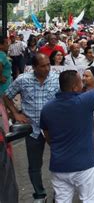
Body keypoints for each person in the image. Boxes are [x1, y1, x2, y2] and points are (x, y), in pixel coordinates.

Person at [39, 52, 94, 203]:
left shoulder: (47, 109)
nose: (83, 84)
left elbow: (48, 136)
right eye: (80, 81)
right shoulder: (83, 101)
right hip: (84, 166)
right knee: (90, 200)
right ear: (74, 87)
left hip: (59, 166)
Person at [2, 53, 59, 202]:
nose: (47, 68)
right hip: (32, 130)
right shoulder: (22, 80)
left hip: (54, 129)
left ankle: (60, 193)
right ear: (34, 67)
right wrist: (15, 113)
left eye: (48, 64)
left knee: (59, 161)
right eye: (43, 66)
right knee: (34, 165)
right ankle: (40, 194)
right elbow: (6, 96)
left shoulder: (56, 78)